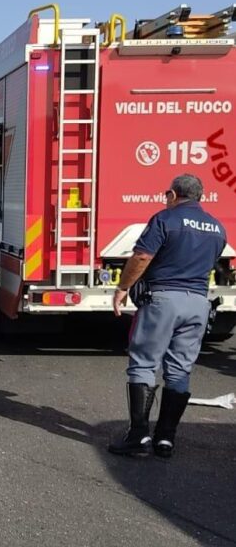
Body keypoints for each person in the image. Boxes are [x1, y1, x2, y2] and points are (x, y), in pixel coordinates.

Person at [109, 174, 226, 458]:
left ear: (173, 195)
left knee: (143, 363)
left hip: (163, 301)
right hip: (198, 303)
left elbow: (141, 257)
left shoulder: (165, 219)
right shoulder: (218, 228)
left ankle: (138, 437)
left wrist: (123, 287)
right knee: (180, 369)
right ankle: (166, 438)